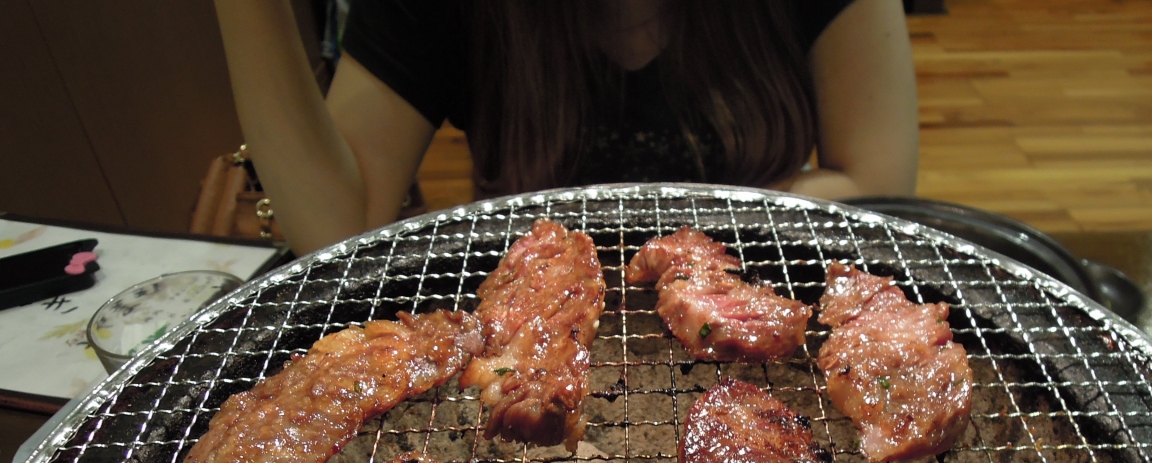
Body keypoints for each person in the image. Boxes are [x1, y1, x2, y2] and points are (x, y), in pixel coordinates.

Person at [213, 0, 918, 255]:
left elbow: (876, 183)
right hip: (532, 342)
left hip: (770, 306)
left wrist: (678, 259)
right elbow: (335, 230)